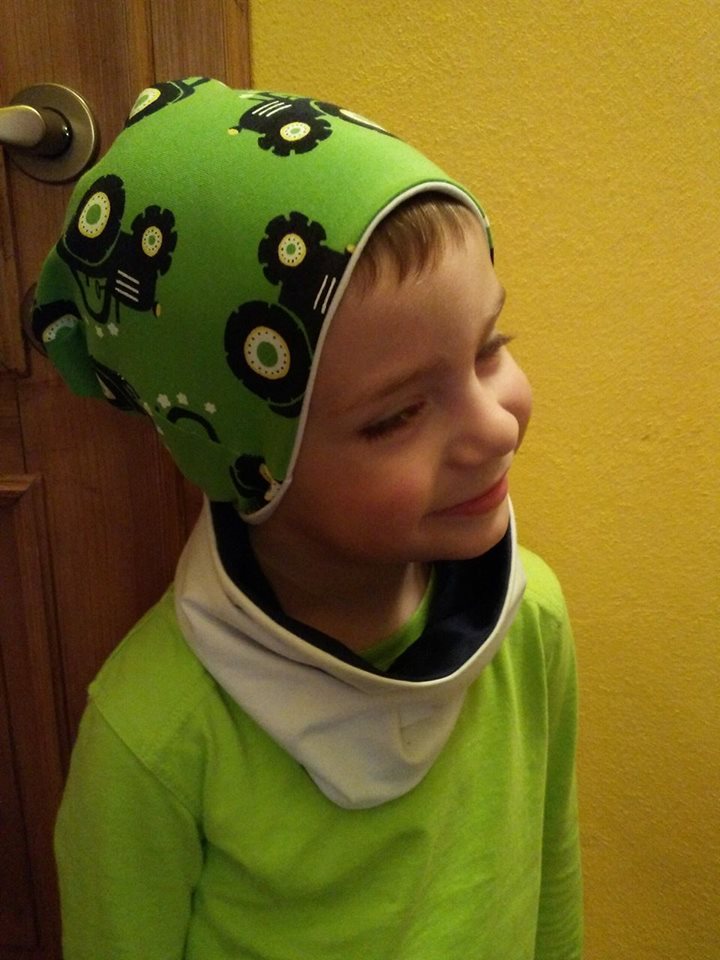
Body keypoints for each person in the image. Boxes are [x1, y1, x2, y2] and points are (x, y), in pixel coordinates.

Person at [34, 78, 583, 959]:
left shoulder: (532, 623)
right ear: (250, 463)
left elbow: (550, 890)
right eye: (398, 415)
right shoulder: (157, 733)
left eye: (488, 350)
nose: (495, 428)